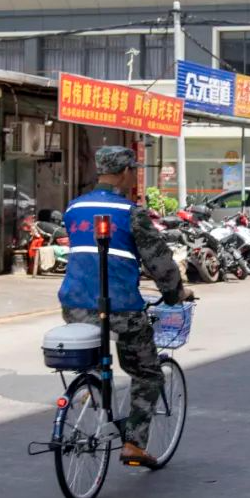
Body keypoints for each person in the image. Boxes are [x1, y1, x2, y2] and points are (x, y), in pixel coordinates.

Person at [59, 146, 191, 468]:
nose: (134, 176)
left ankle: (90, 387)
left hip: (75, 304)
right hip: (120, 308)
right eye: (134, 171)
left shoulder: (74, 208)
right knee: (147, 372)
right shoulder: (132, 213)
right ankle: (133, 443)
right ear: (125, 172)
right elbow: (159, 261)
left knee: (94, 359)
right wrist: (175, 293)